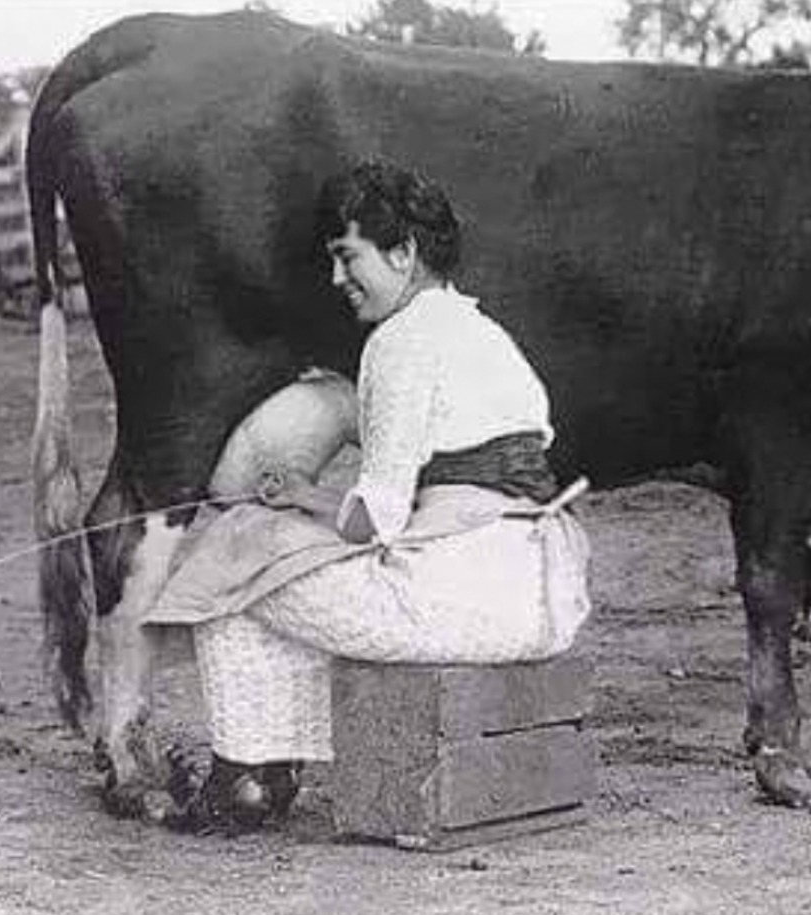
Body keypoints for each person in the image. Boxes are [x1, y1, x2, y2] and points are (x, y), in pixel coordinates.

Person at [146, 159, 592, 834]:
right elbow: (446, 494)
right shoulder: (486, 335)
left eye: (346, 256)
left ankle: (247, 776)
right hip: (546, 594)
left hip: (464, 606)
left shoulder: (398, 341)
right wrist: (307, 495)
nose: (336, 279)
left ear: (404, 252)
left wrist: (286, 512)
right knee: (277, 557)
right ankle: (268, 769)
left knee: (232, 559)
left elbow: (375, 518)